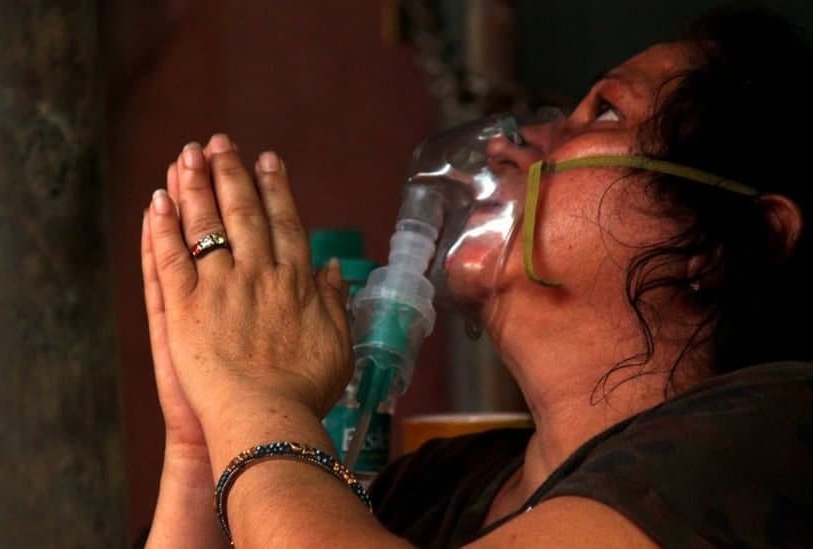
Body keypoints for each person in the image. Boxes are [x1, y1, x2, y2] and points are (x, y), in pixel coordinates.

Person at [138, 7, 813, 548]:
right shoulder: (442, 485)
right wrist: (203, 443)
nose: (503, 144)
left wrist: (256, 406)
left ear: (726, 244)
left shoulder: (779, 440)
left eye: (604, 112)